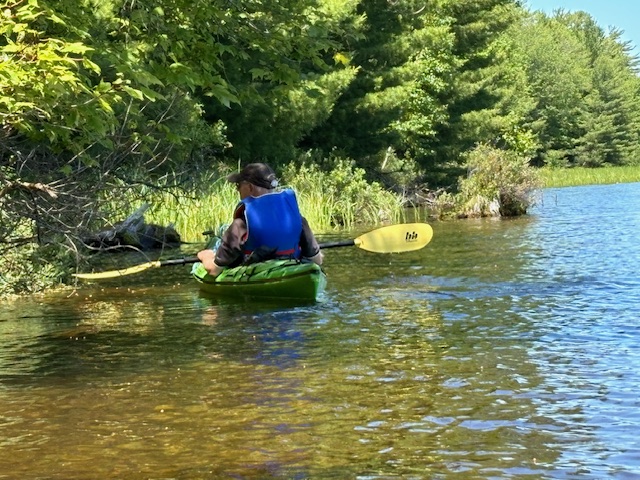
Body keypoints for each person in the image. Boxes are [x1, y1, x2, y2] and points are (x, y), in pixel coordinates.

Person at [196, 163, 323, 277]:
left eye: (238, 186)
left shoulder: (241, 224)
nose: (237, 190)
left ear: (250, 187)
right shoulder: (297, 219)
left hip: (255, 274)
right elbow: (317, 260)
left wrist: (205, 256)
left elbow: (214, 270)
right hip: (291, 269)